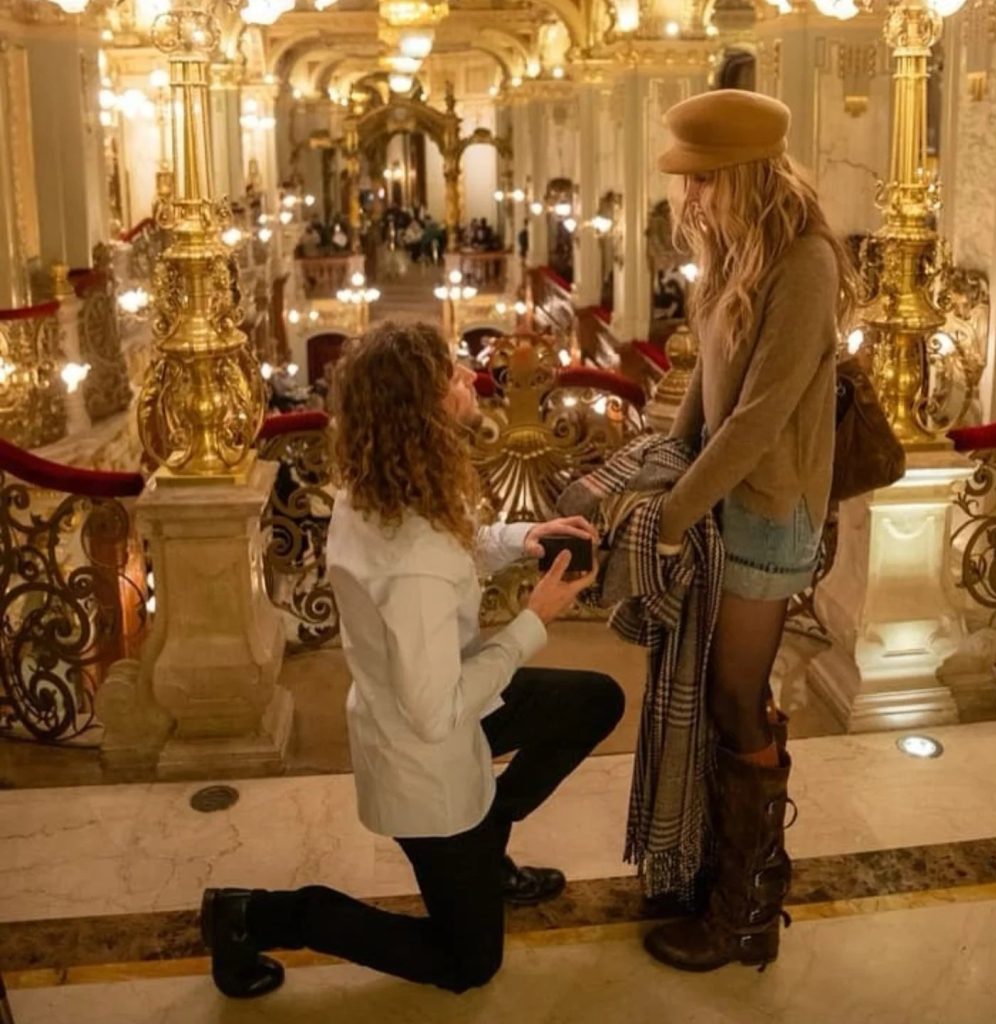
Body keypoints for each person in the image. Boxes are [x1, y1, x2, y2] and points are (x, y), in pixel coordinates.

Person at [200, 321, 624, 999]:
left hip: (444, 701)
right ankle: (258, 914)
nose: (469, 379)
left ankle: (488, 842)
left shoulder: (382, 488)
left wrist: (525, 537)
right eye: (451, 376)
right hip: (426, 753)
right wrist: (533, 620)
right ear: (420, 410)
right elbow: (436, 714)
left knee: (593, 701)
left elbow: (458, 545)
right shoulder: (412, 561)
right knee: (467, 965)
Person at [642, 90, 857, 971]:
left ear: (736, 174)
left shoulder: (804, 260)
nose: (687, 198)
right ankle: (730, 876)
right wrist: (668, 458)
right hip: (730, 498)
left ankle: (743, 914)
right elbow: (710, 379)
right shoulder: (736, 247)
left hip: (770, 512)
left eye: (698, 180)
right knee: (729, 693)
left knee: (735, 698)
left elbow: (762, 414)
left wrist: (675, 512)